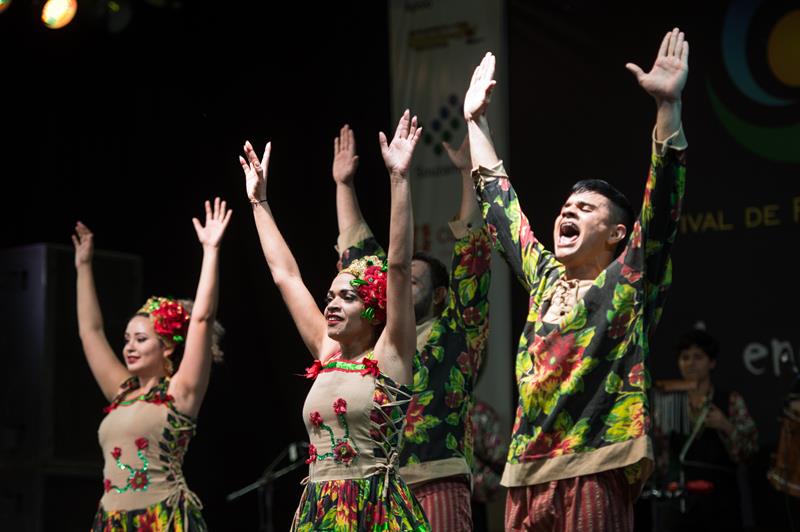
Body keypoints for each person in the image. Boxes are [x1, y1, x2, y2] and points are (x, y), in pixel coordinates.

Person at [464, 28, 689, 530]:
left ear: (616, 234)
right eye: (566, 207)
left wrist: (667, 107)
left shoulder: (627, 281)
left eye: (585, 209)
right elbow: (501, 209)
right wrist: (476, 121)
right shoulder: (546, 279)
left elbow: (662, 206)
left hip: (596, 462)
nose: (568, 212)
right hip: (526, 469)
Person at [240, 111, 430, 531]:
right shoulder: (327, 354)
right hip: (321, 509)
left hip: (374, 510)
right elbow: (286, 276)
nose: (331, 305)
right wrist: (259, 202)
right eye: (330, 297)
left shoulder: (391, 356)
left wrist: (399, 178)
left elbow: (398, 267)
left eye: (348, 297)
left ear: (375, 311)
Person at [331, 124, 492, 530]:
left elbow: (471, 251)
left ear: (439, 296)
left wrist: (465, 174)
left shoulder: (457, 331)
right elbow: (357, 256)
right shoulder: (382, 337)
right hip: (380, 484)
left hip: (436, 479)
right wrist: (344, 184)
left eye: (413, 283)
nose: (400, 289)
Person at [73, 198, 232, 531]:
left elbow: (202, 318)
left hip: (163, 517)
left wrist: (211, 251)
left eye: (141, 339)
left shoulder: (180, 393)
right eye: (127, 339)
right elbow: (91, 332)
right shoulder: (121, 392)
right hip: (112, 522)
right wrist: (83, 267)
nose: (129, 347)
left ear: (167, 348)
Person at [657, 328, 758, 531]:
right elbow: (661, 461)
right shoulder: (667, 404)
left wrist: (725, 425)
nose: (690, 363)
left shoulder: (730, 400)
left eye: (698, 357)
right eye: (685, 357)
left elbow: (750, 452)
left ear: (712, 362)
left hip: (721, 501)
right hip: (679, 502)